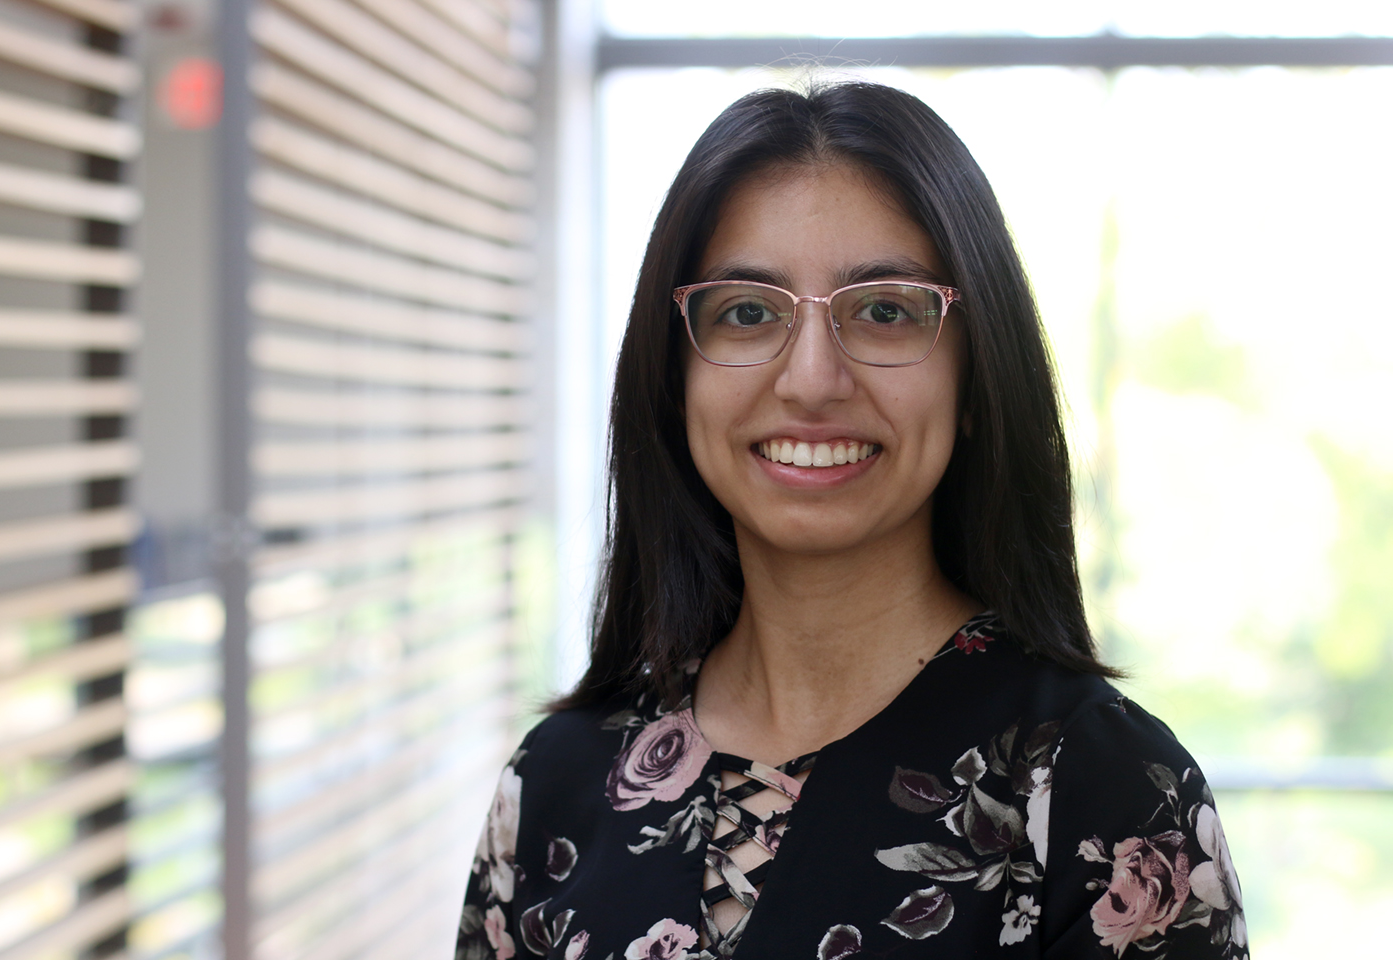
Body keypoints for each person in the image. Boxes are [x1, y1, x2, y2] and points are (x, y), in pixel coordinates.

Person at [458, 80, 1247, 960]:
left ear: (977, 377)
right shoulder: (555, 783)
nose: (810, 380)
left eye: (883, 311)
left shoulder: (1105, 797)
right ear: (673, 379)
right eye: (747, 311)